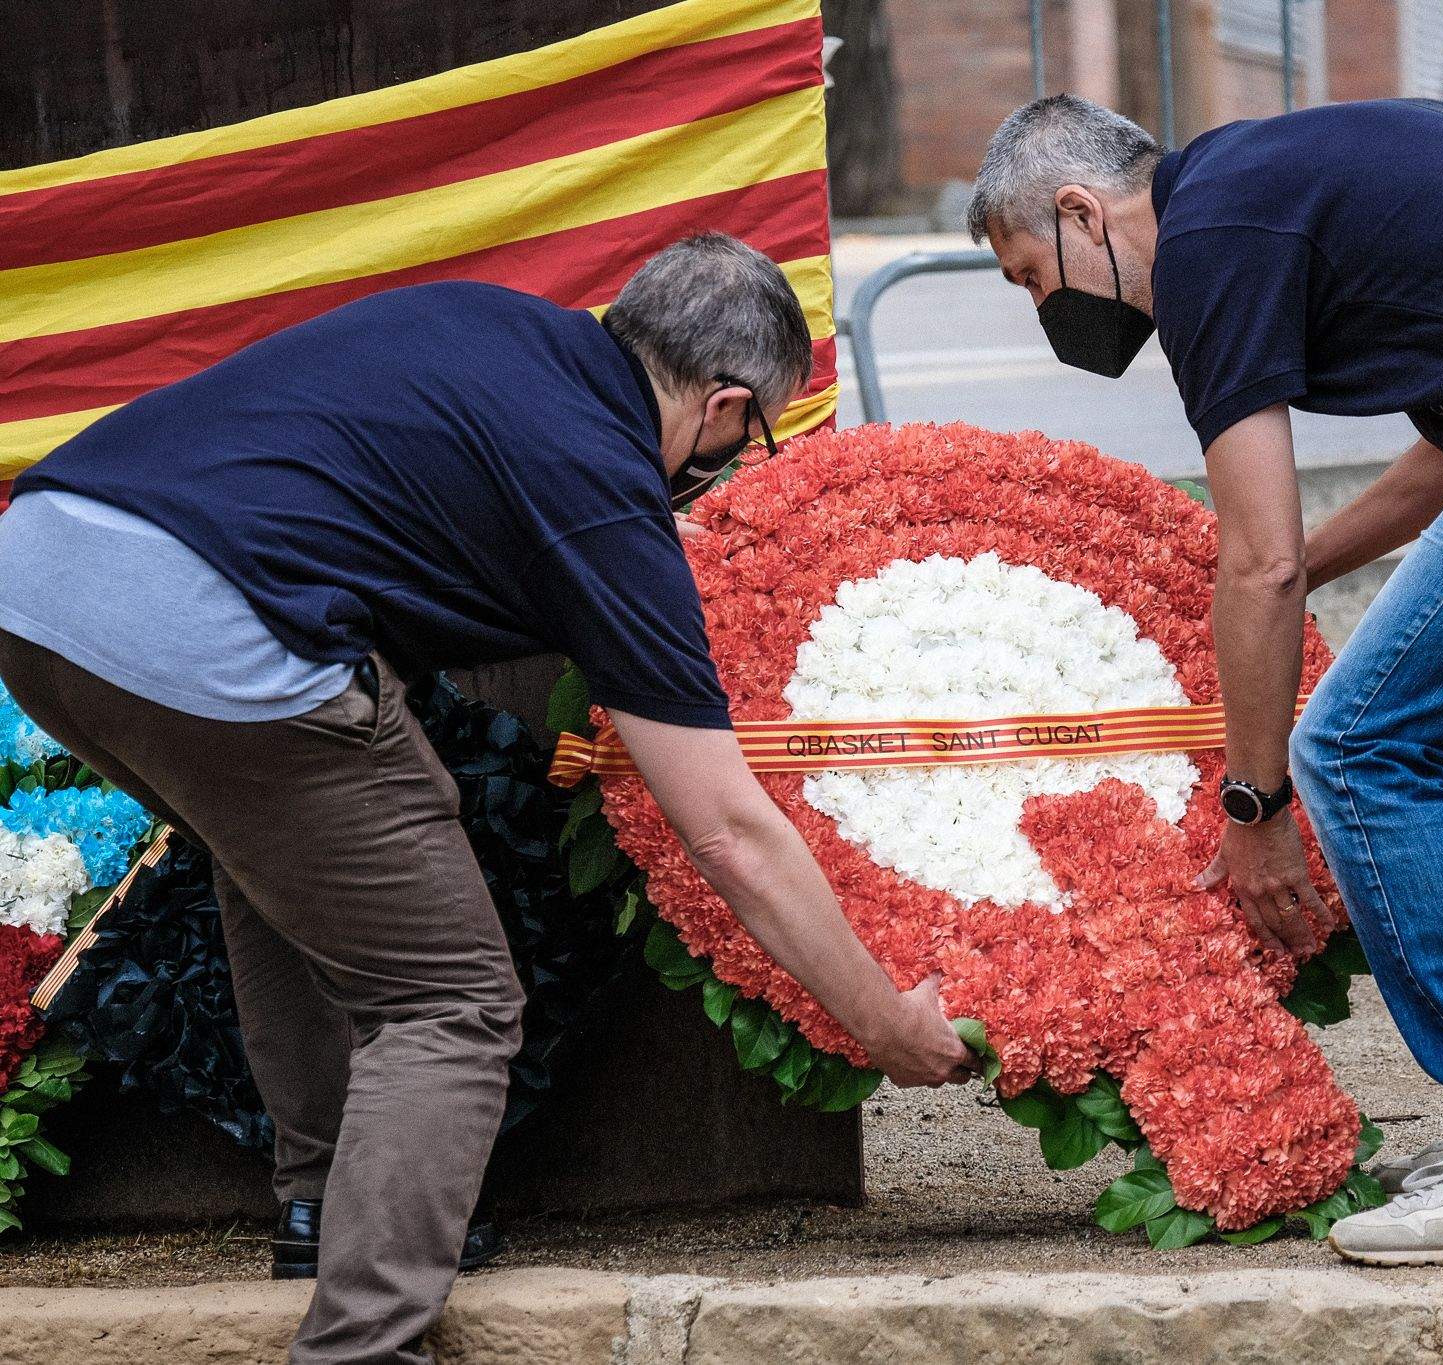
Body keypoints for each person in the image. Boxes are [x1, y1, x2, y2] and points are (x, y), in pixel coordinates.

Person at [0, 233, 973, 1363]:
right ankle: (365, 1347)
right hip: (211, 631)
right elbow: (729, 829)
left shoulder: (491, 323)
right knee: (450, 999)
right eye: (752, 440)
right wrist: (883, 1024)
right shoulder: (601, 488)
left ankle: (327, 1209)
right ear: (722, 405)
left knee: (270, 857)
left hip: (42, 579)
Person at [970, 94, 1443, 1265]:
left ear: (1081, 209)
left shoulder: (1206, 246)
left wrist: (1252, 807)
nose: (1049, 310)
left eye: (1033, 274)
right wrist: (1233, 577)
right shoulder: (1273, 180)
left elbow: (1265, 559)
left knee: (1355, 745)